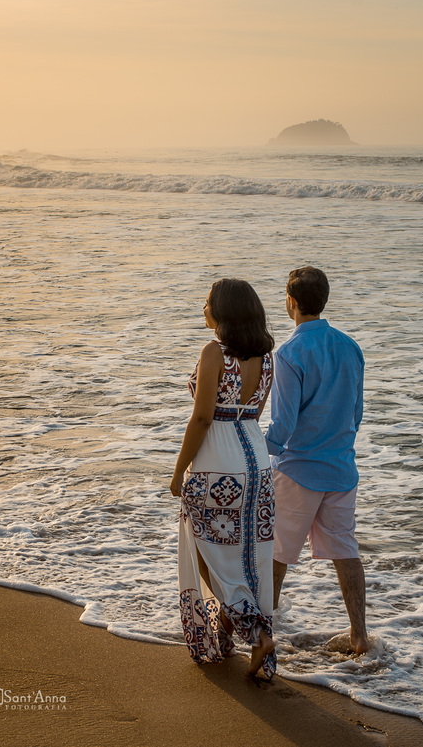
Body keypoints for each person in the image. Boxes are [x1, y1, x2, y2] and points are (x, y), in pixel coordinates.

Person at [170, 278, 277, 681]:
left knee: (208, 553)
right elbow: (254, 411)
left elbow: (202, 417)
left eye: (208, 302)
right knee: (247, 553)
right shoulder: (268, 357)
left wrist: (180, 470)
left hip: (217, 462)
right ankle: (236, 634)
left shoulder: (214, 353)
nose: (203, 307)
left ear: (224, 311)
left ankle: (255, 632)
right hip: (257, 461)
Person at [264, 266, 370, 655]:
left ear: (290, 301)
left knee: (277, 554)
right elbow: (356, 413)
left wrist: (259, 449)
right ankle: (359, 635)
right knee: (346, 552)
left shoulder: (289, 353)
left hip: (299, 471)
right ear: (323, 300)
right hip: (342, 468)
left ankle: (264, 636)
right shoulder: (350, 346)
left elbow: (284, 424)